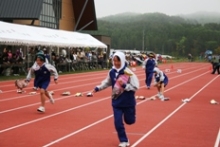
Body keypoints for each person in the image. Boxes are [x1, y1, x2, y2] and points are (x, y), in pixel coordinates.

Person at [92, 51, 139, 147]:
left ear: (122, 60)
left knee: (130, 121)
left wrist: (125, 85)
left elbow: (136, 86)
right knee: (117, 122)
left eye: (118, 61)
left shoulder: (128, 73)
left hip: (128, 102)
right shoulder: (112, 72)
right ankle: (124, 140)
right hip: (116, 102)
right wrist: (98, 88)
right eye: (114, 61)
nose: (116, 63)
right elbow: (107, 82)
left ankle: (132, 115)